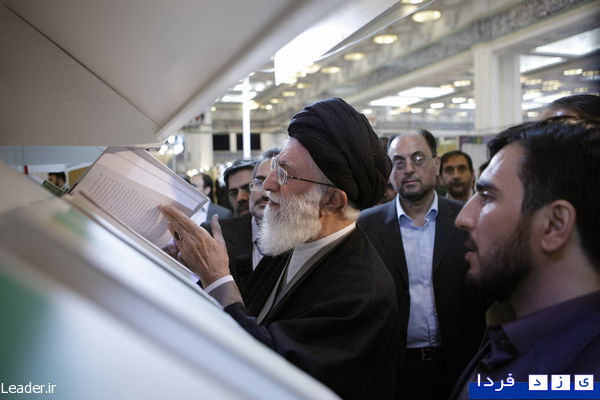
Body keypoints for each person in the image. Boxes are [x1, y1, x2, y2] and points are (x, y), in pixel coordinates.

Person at [160, 98, 401, 400]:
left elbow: (274, 371)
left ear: (332, 201)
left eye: (285, 173)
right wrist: (193, 271)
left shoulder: (363, 292)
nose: (268, 185)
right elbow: (252, 318)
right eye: (275, 167)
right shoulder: (294, 241)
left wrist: (216, 277)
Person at [450, 117, 600, 399]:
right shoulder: (516, 338)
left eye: (487, 197)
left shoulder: (580, 382)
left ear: (554, 225)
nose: (463, 218)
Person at [358, 129, 486, 400]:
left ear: (436, 164)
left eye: (418, 159)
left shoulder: (467, 220)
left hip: (461, 365)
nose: (408, 169)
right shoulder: (366, 226)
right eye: (398, 162)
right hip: (394, 370)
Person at [201, 148, 280, 295]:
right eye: (233, 193)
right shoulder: (216, 235)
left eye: (247, 188)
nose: (240, 198)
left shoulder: (299, 234)